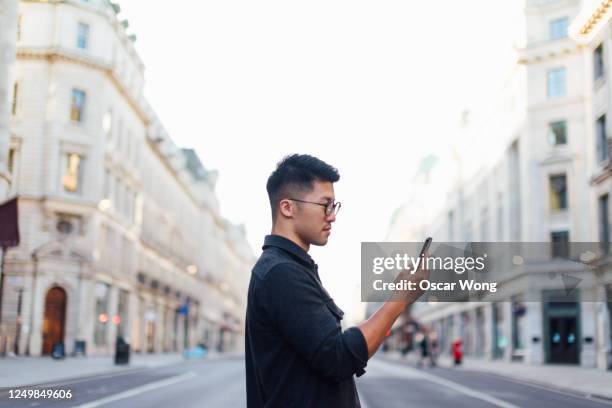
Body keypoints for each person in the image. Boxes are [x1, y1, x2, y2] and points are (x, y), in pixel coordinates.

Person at [245, 154, 429, 408]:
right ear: (287, 207)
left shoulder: (292, 267)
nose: (332, 216)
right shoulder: (281, 273)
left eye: (334, 206)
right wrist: (399, 299)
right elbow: (339, 357)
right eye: (325, 205)